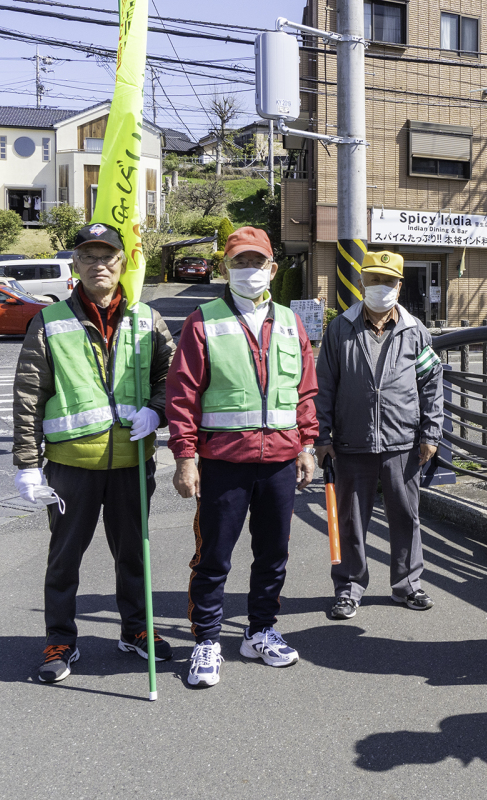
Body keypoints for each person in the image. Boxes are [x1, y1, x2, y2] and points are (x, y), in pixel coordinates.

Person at [12, 222, 175, 684]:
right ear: (75, 264)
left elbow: (172, 378)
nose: (98, 265)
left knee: (135, 556)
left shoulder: (148, 319)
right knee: (64, 560)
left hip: (131, 462)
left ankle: (137, 630)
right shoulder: (49, 321)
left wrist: (156, 412)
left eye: (107, 257)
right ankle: (60, 638)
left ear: (122, 263)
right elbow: (29, 395)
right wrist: (26, 465)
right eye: (88, 256)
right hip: (71, 466)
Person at [166, 227, 318, 688]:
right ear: (226, 268)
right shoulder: (203, 320)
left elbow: (305, 392)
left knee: (273, 554)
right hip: (223, 461)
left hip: (279, 460)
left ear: (272, 268)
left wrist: (307, 445)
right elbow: (182, 394)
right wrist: (185, 457)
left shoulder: (292, 322)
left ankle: (260, 630)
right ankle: (208, 639)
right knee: (213, 556)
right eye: (239, 262)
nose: (248, 270)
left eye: (256, 262)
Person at [314, 251, 443, 617]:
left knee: (406, 515)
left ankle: (407, 585)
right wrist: (322, 437)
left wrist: (431, 433)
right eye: (373, 280)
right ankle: (349, 587)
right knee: (351, 520)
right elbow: (323, 386)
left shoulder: (417, 331)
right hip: (351, 441)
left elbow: (432, 385)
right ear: (361, 283)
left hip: (403, 440)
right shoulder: (340, 328)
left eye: (388, 281)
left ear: (399, 286)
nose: (380, 287)